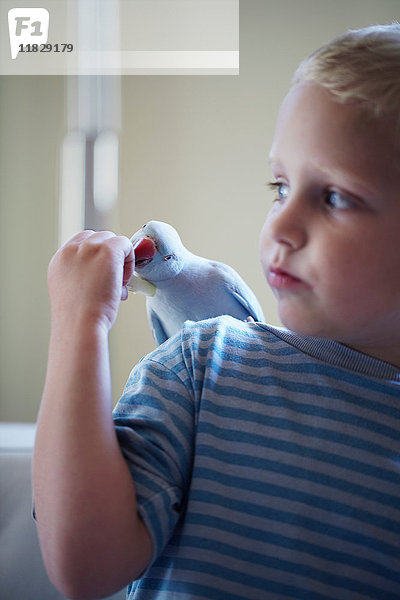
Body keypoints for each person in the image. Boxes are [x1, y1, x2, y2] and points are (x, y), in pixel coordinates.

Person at [33, 23, 400, 600]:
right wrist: (81, 324)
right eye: (279, 186)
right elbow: (86, 564)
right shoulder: (206, 361)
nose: (279, 224)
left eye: (334, 197)